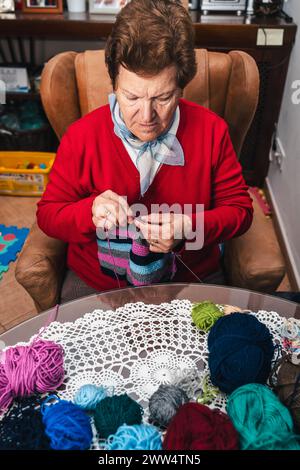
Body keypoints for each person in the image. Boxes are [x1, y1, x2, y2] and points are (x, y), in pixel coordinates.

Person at [36, 0, 253, 303]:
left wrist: (190, 228)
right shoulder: (82, 136)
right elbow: (48, 215)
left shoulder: (211, 131)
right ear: (114, 84)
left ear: (181, 87)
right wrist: (90, 211)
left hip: (189, 280)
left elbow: (241, 213)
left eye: (163, 97)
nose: (146, 116)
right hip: (98, 282)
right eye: (131, 96)